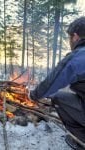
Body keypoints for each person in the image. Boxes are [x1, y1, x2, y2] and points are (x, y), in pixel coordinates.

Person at [29, 17, 85, 150]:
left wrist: (33, 95)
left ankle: (81, 139)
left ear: (75, 37)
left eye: (69, 38)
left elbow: (52, 82)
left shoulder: (79, 57)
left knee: (58, 97)